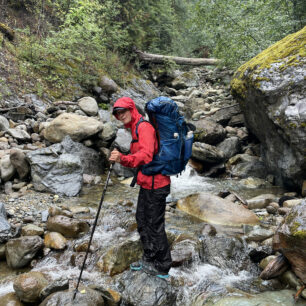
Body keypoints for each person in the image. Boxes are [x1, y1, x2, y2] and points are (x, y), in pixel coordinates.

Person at [109, 97, 172, 278]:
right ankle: (149, 257)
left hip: (157, 184)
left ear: (132, 109)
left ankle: (163, 266)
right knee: (142, 220)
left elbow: (146, 155)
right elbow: (140, 154)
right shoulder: (135, 128)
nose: (120, 116)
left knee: (154, 225)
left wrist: (123, 159)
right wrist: (124, 156)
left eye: (123, 111)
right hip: (147, 183)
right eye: (117, 113)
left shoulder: (144, 127)